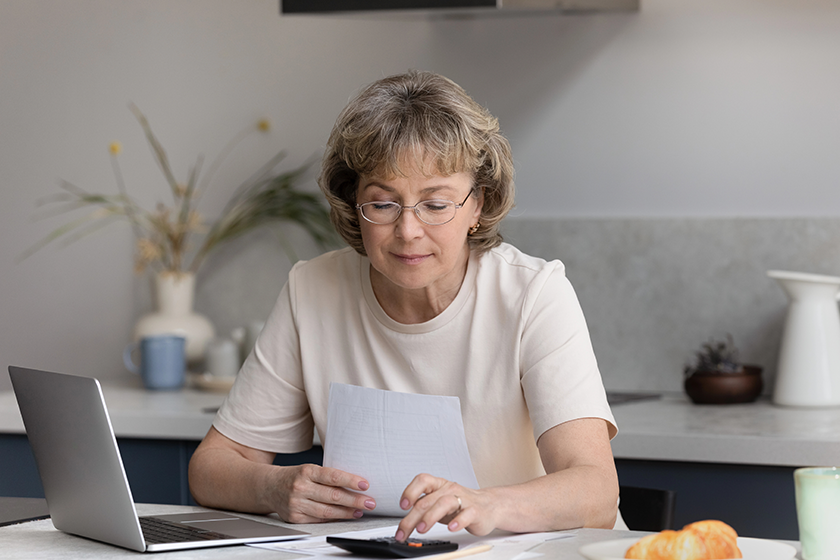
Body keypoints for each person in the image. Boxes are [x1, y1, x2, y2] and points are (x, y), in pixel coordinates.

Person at [188, 70, 620, 540]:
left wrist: (486, 504)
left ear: (479, 205)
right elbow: (210, 468)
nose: (408, 230)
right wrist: (274, 487)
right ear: (354, 204)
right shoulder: (312, 289)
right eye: (383, 203)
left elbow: (596, 491)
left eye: (435, 205)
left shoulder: (534, 293)